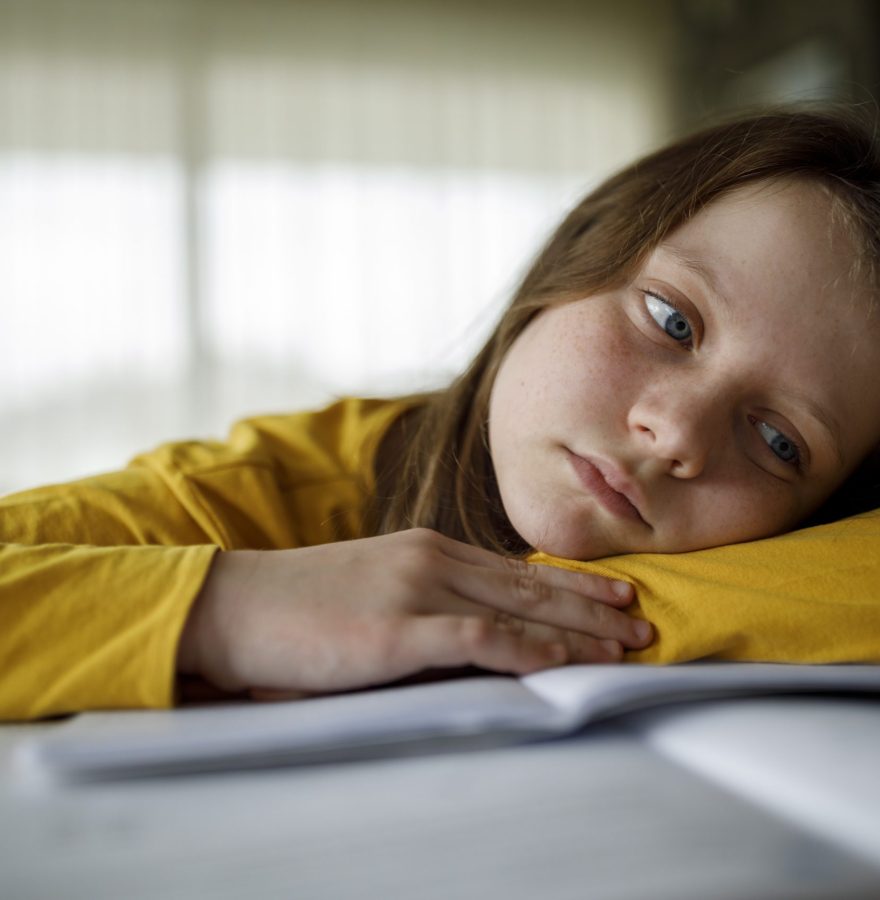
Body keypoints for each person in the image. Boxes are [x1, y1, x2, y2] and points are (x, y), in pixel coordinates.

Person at [4, 105, 880, 721]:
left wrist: (488, 626)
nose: (678, 434)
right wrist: (224, 611)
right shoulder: (248, 495)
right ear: (576, 259)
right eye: (671, 319)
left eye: (778, 441)